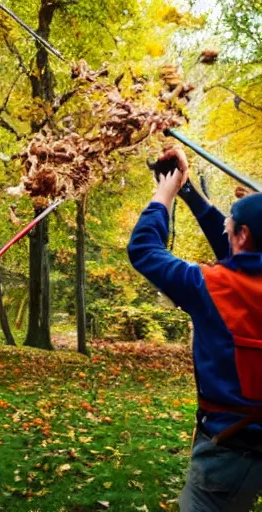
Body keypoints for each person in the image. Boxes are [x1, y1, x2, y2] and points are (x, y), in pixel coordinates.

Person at [127, 147, 262, 512]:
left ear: (244, 235)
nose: (225, 226)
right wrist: (187, 191)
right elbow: (238, 250)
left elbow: (143, 249)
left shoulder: (210, 286)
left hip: (231, 451)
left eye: (231, 224)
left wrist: (164, 194)